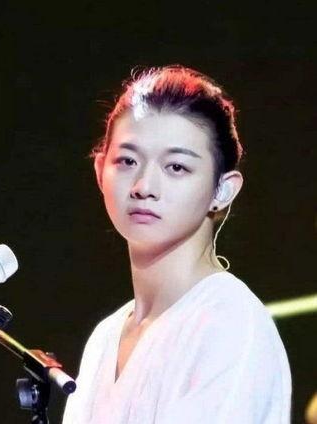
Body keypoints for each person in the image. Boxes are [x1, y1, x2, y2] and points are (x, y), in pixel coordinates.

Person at [62, 65, 292, 423]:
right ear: (100, 171)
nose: (144, 186)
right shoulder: (105, 337)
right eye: (127, 161)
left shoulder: (230, 323)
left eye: (176, 167)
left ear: (223, 189)